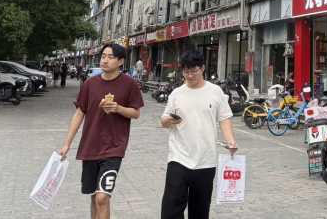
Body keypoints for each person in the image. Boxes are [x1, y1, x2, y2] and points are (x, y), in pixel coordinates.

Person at [59, 43, 144, 219]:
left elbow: (136, 113)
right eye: (103, 56)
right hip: (90, 146)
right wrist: (67, 144)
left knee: (102, 197)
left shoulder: (129, 84)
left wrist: (118, 108)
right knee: (94, 196)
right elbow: (79, 113)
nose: (105, 60)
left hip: (114, 148)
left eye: (110, 57)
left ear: (120, 61)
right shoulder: (90, 84)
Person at [160, 50, 237, 219]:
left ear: (202, 68)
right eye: (186, 71)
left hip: (205, 160)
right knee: (170, 211)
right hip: (178, 158)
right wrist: (168, 120)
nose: (189, 75)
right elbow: (164, 120)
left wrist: (230, 140)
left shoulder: (215, 91)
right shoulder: (176, 94)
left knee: (200, 211)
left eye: (193, 71)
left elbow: (224, 117)